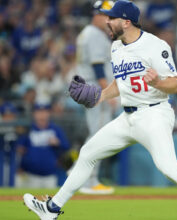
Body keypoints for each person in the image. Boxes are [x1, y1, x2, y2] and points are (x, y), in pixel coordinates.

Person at [23, 1, 177, 220]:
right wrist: (100, 95)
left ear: (126, 22)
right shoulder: (116, 46)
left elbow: (175, 84)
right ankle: (52, 209)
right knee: (87, 153)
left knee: (169, 169)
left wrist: (158, 83)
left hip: (153, 115)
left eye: (112, 18)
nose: (107, 21)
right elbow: (121, 83)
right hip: (128, 118)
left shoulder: (155, 45)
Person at [72, 0, 115, 195]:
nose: (108, 20)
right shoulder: (96, 34)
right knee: (98, 135)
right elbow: (98, 67)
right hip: (95, 87)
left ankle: (77, 172)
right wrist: (108, 93)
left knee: (96, 132)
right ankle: (88, 179)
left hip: (87, 85)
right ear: (96, 15)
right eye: (106, 16)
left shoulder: (86, 33)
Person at [16, 103, 70, 188]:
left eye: (44, 112)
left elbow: (66, 147)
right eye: (39, 112)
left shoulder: (56, 129)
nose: (42, 115)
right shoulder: (28, 129)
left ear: (49, 114)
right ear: (34, 114)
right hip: (30, 175)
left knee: (49, 199)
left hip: (50, 175)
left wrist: (57, 143)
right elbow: (19, 148)